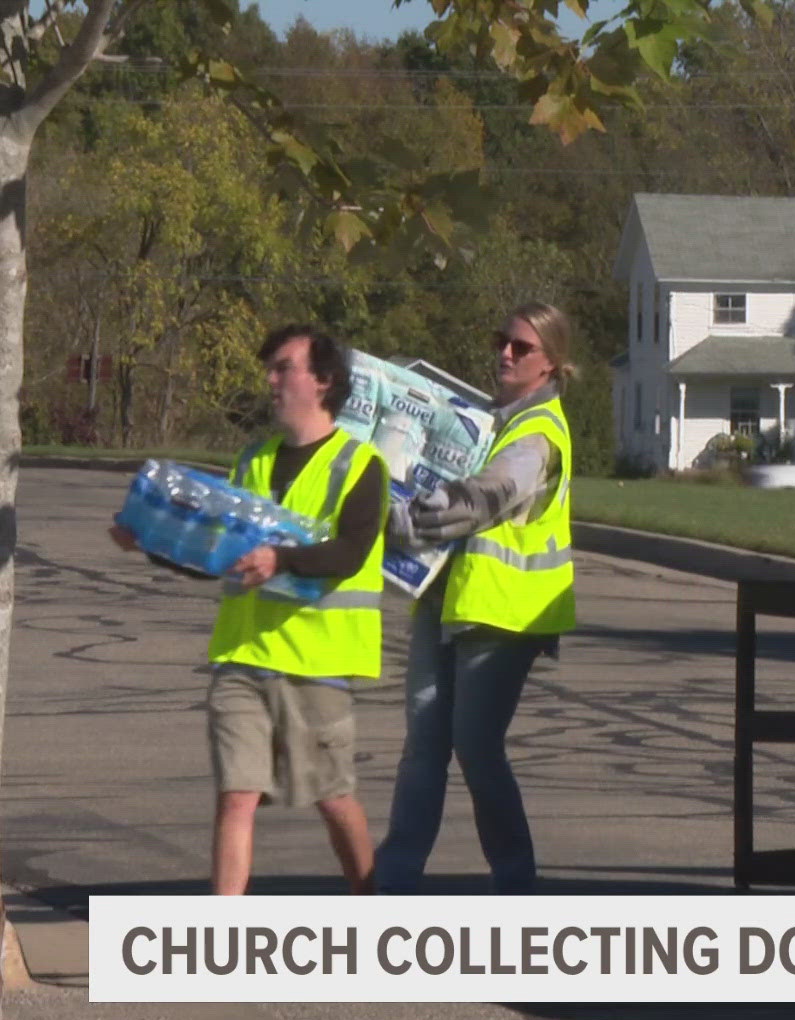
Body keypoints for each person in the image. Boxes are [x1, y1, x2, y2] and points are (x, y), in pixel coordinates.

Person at [110, 326, 389, 895]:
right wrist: (152, 543)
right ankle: (223, 942)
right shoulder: (253, 459)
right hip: (241, 657)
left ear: (323, 381)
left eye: (284, 367)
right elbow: (218, 554)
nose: (271, 379)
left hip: (316, 661)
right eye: (270, 368)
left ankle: (372, 906)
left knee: (331, 796)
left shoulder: (359, 465)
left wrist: (281, 559)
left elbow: (352, 551)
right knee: (236, 795)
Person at [374, 301, 577, 894]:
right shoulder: (492, 419)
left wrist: (397, 522)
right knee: (424, 743)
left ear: (553, 363)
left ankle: (515, 883)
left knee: (476, 748)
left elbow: (487, 496)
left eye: (522, 347)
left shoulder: (539, 435)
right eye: (502, 341)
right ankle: (394, 878)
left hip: (503, 619)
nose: (505, 354)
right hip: (446, 602)